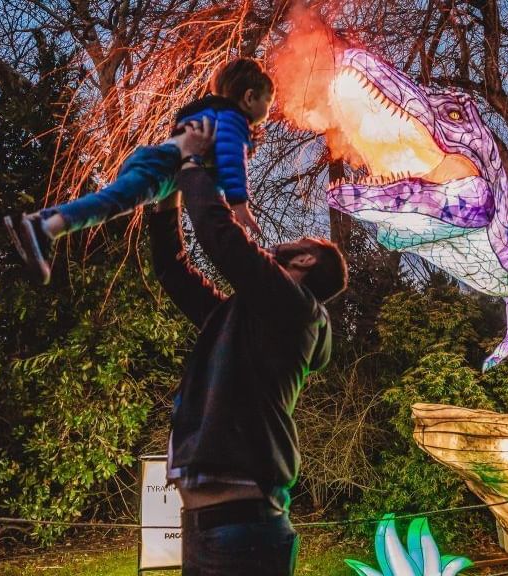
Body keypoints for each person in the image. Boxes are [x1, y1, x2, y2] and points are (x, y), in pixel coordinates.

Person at [149, 119, 347, 575]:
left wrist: (192, 163)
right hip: (209, 529)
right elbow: (173, 270)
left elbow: (223, 241)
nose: (284, 242)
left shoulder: (295, 308)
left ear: (304, 259)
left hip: (242, 534)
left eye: (299, 241)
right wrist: (165, 199)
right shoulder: (242, 319)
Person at [5, 58, 274, 284]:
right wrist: (238, 202)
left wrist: (217, 202)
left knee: (115, 200)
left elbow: (206, 179)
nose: (269, 110)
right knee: (115, 202)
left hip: (157, 160)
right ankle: (44, 227)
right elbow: (231, 155)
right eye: (268, 102)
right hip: (164, 167)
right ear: (249, 97)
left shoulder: (210, 113)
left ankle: (41, 223)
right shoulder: (234, 119)